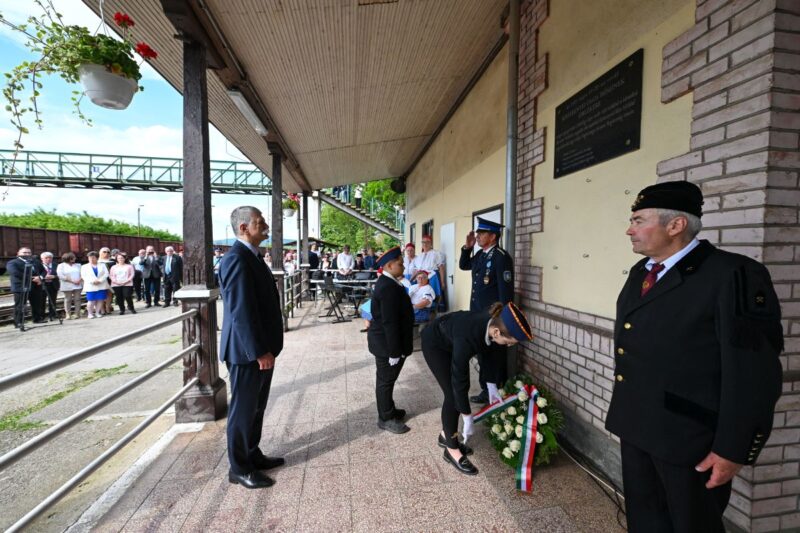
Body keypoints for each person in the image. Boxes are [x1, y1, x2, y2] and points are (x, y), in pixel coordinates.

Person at [605, 181, 783, 532]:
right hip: (638, 426)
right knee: (646, 521)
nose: (630, 229)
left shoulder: (733, 275)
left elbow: (753, 372)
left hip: (690, 441)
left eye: (639, 220)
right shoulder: (644, 272)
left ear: (675, 225)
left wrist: (733, 449)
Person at [422, 301, 532, 475]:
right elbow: (460, 379)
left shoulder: (493, 325)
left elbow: (490, 354)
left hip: (453, 339)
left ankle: (445, 435)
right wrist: (467, 415)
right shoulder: (468, 336)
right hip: (435, 344)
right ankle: (451, 450)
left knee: (456, 394)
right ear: (497, 332)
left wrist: (492, 386)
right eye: (510, 342)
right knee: (452, 395)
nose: (510, 345)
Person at [219, 206, 285, 489]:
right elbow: (241, 311)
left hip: (260, 349)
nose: (266, 226)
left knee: (257, 407)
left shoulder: (252, 256)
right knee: (243, 410)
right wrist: (258, 351)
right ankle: (239, 467)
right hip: (247, 352)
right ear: (244, 227)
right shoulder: (236, 259)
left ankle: (252, 452)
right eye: (260, 222)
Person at [459, 217, 514, 405]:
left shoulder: (501, 257)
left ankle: (496, 386)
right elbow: (464, 265)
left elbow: (506, 292)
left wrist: (503, 320)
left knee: (494, 353)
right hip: (478, 314)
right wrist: (467, 248)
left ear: (492, 236)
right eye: (478, 233)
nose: (478, 236)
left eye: (481, 233)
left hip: (493, 317)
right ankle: (486, 387)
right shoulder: (481, 255)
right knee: (483, 352)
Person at [367, 246, 414, 434]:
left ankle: (389, 409)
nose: (403, 267)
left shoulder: (392, 282)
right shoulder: (387, 287)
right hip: (386, 345)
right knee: (385, 380)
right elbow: (389, 322)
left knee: (388, 380)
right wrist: (395, 351)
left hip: (388, 342)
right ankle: (385, 418)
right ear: (389, 265)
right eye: (400, 264)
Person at [7, 247, 43, 328]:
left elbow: (43, 271)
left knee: (36, 303)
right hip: (21, 287)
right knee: (20, 305)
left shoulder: (35, 261)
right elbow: (15, 273)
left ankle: (37, 319)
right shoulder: (12, 263)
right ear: (18, 253)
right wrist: (32, 278)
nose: (27, 254)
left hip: (35, 286)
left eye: (29, 252)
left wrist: (40, 277)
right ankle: (18, 322)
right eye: (24, 252)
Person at [81, 251, 110, 319]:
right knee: (91, 300)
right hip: (91, 285)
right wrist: (92, 281)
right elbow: (83, 276)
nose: (91, 259)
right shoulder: (84, 266)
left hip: (101, 285)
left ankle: (97, 312)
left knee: (100, 299)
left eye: (93, 258)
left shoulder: (102, 265)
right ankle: (90, 313)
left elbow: (106, 274)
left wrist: (100, 280)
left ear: (97, 258)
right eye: (89, 258)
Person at [57, 252, 83, 319]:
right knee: (67, 299)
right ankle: (68, 314)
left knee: (77, 299)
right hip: (67, 285)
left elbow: (83, 273)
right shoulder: (61, 266)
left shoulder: (78, 265)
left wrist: (79, 280)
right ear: (68, 258)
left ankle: (77, 313)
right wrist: (72, 281)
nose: (75, 258)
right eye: (73, 257)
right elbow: (60, 275)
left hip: (78, 284)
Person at [39, 251, 60, 320]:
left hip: (53, 285)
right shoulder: (39, 265)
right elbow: (36, 274)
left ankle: (52, 316)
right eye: (46, 258)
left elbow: (61, 274)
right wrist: (43, 277)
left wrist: (54, 276)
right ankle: (42, 316)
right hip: (42, 285)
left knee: (52, 301)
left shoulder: (56, 265)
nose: (48, 259)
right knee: (41, 301)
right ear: (42, 259)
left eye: (50, 258)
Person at [98, 247, 116, 314]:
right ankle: (102, 309)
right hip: (100, 280)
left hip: (110, 280)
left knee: (109, 294)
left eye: (108, 252)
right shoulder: (97, 262)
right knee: (101, 294)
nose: (106, 253)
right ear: (100, 253)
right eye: (104, 252)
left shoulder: (113, 262)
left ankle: (108, 307)